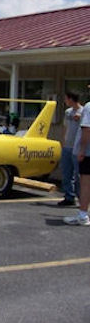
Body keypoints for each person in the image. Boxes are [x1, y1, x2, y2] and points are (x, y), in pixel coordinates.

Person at [64, 86, 90, 226]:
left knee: (85, 183)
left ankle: (83, 215)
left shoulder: (88, 107)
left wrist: (82, 150)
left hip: (88, 153)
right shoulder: (70, 112)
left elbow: (87, 129)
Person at [57, 91, 83, 206]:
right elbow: (65, 127)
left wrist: (81, 118)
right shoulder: (68, 112)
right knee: (66, 173)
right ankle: (69, 196)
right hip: (67, 146)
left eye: (66, 99)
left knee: (78, 175)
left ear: (71, 99)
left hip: (78, 147)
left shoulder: (84, 112)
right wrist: (63, 141)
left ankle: (82, 198)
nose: (65, 101)